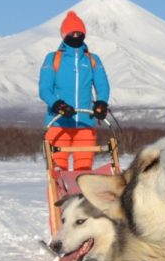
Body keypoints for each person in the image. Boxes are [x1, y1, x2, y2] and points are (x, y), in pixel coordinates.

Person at [38, 10, 111, 174]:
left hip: (85, 124)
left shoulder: (92, 59)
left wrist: (101, 103)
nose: (76, 36)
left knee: (84, 174)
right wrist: (58, 105)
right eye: (72, 33)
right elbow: (44, 89)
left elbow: (103, 86)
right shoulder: (53, 58)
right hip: (58, 124)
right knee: (56, 174)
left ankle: (82, 199)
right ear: (64, 34)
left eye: (80, 33)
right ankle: (57, 199)